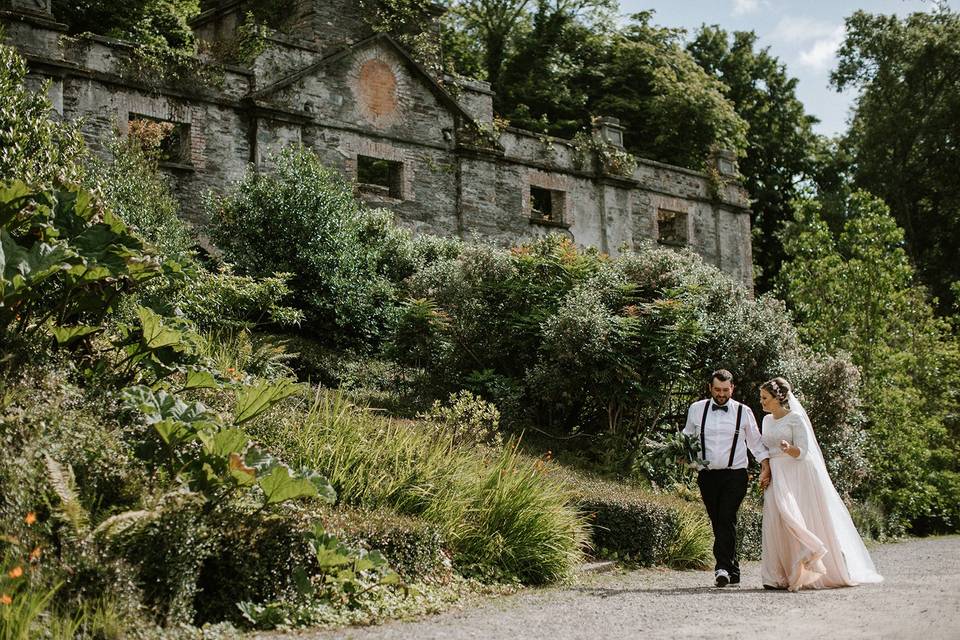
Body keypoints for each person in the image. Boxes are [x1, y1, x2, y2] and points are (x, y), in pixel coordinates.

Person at [758, 377, 883, 591]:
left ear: (778, 399)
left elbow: (804, 452)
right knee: (775, 518)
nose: (761, 402)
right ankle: (777, 576)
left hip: (797, 473)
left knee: (794, 516)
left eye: (764, 398)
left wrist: (789, 448)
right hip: (777, 474)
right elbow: (766, 450)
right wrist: (766, 469)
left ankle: (808, 563)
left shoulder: (795, 418)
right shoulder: (767, 421)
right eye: (761, 398)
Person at [683, 369, 771, 587]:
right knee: (718, 520)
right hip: (707, 475)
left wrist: (765, 466)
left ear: (732, 388)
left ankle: (721, 568)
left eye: (725, 390)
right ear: (710, 388)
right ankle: (733, 568)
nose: (721, 394)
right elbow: (687, 438)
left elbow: (755, 443)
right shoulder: (696, 409)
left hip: (735, 474)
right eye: (717, 390)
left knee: (726, 516)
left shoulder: (743, 411)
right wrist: (683, 456)